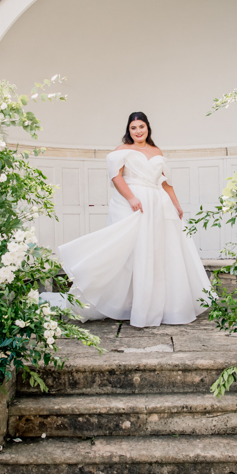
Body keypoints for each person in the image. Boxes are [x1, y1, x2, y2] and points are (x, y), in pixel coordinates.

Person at [46, 112, 211, 327]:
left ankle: (161, 306)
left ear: (148, 128)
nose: (138, 131)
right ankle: (126, 303)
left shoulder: (156, 151)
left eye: (141, 126)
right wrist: (132, 198)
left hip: (158, 203)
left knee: (159, 251)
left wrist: (176, 204)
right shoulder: (122, 151)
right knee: (132, 251)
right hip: (134, 203)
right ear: (129, 130)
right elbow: (116, 177)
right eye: (134, 128)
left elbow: (165, 182)